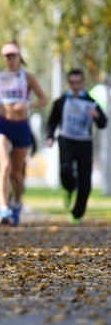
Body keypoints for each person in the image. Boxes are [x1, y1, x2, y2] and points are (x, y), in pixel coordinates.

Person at [0, 41, 48, 226]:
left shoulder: (27, 77)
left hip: (21, 126)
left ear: (19, 57)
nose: (10, 59)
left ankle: (16, 203)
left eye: (13, 55)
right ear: (3, 58)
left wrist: (28, 104)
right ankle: (4, 208)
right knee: (4, 165)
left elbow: (44, 99)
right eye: (7, 56)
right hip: (2, 125)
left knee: (16, 173)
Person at [45, 69, 108, 223]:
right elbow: (52, 121)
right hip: (66, 140)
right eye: (72, 82)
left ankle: (77, 213)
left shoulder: (90, 101)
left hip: (84, 142)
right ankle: (68, 189)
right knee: (65, 170)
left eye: (78, 82)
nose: (75, 86)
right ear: (69, 83)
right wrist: (50, 136)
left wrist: (97, 116)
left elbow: (103, 123)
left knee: (85, 180)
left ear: (83, 82)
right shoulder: (62, 101)